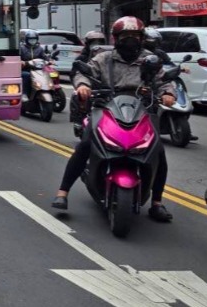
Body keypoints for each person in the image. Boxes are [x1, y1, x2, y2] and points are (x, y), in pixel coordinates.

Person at [52, 16, 177, 222]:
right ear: (116, 38)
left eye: (135, 35)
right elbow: (84, 73)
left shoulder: (150, 60)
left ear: (142, 37)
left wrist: (168, 94)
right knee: (85, 144)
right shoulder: (103, 58)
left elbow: (163, 81)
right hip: (106, 107)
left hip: (142, 110)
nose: (130, 39)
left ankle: (156, 203)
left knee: (158, 152)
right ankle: (62, 192)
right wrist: (83, 85)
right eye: (125, 36)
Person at [70, 30, 108, 137]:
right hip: (90, 88)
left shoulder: (109, 57)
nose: (97, 45)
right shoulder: (82, 58)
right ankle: (78, 120)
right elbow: (75, 74)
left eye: (100, 42)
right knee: (76, 96)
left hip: (108, 88)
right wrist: (82, 86)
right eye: (94, 42)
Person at [18, 29, 43, 96]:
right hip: (26, 69)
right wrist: (22, 62)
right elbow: (18, 58)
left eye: (34, 39)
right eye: (30, 39)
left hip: (38, 69)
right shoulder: (22, 48)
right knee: (26, 75)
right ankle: (24, 93)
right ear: (26, 39)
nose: (32, 41)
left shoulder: (39, 48)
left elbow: (44, 57)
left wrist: (50, 60)